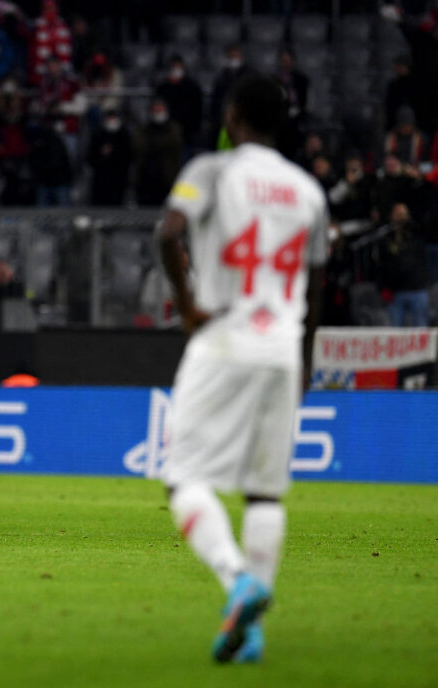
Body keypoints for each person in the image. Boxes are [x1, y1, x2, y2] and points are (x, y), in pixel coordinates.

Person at [156, 73, 328, 664]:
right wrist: (304, 361)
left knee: (184, 479)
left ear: (232, 116)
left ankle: (238, 581)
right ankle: (250, 631)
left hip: (224, 337)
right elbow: (318, 283)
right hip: (283, 347)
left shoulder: (211, 170)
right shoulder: (308, 191)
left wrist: (187, 307)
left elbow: (169, 231)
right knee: (264, 494)